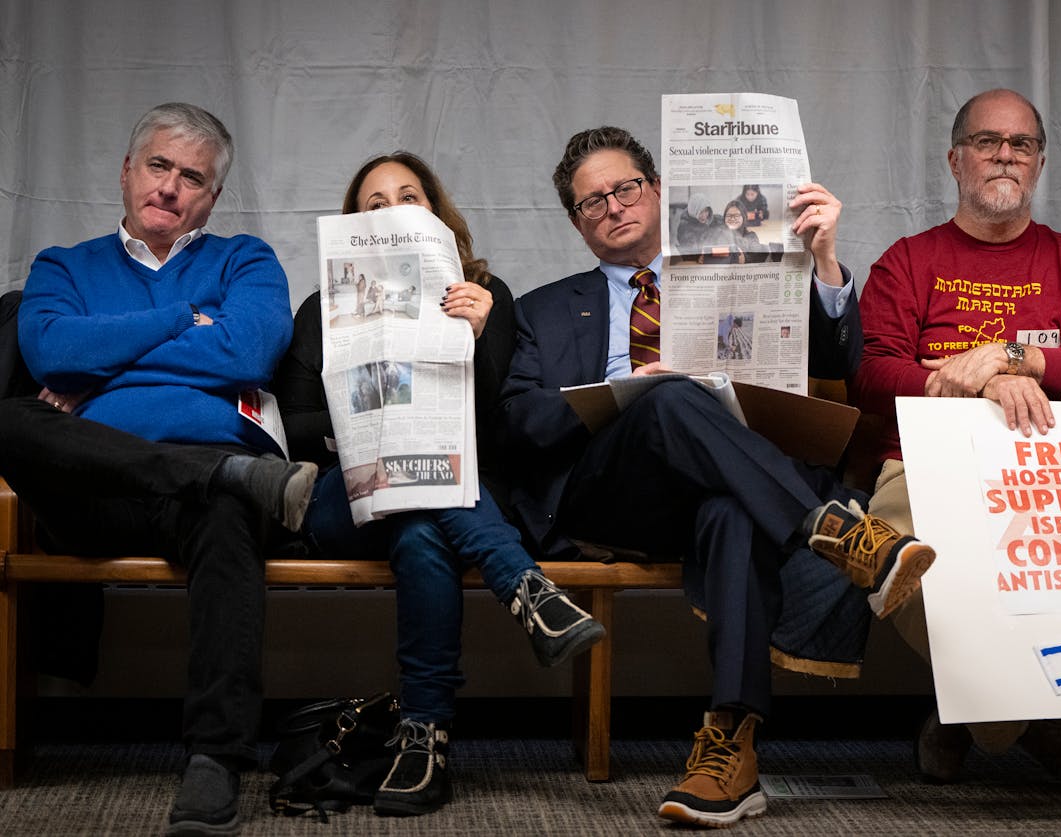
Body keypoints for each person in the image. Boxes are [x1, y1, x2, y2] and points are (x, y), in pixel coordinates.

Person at [498, 125, 931, 828]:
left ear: (660, 191)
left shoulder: (736, 272)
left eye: (626, 187)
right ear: (577, 222)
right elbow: (519, 423)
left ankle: (731, 741)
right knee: (668, 395)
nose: (612, 206)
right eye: (592, 201)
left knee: (734, 509)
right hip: (608, 492)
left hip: (728, 478)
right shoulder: (543, 309)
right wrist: (624, 393)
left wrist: (823, 260)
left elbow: (836, 360)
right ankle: (834, 528)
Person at [0, 102, 318, 836]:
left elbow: (246, 351)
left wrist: (101, 356)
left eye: (193, 177)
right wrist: (182, 320)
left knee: (228, 505)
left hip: (208, 482)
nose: (172, 186)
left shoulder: (246, 260)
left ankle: (215, 756)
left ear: (211, 197)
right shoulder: (63, 265)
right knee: (9, 416)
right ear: (127, 171)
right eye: (159, 166)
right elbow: (50, 353)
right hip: (92, 487)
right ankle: (223, 477)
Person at [273, 152, 605, 817]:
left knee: (423, 528)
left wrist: (478, 337)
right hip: (350, 497)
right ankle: (528, 588)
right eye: (374, 203)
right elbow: (294, 422)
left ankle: (422, 736)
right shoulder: (324, 309)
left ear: (435, 211)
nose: (394, 207)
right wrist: (374, 427)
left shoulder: (487, 295)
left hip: (445, 501)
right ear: (354, 225)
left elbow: (499, 432)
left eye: (409, 195)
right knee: (417, 488)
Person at [854, 88, 1061, 789]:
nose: (1004, 155)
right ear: (955, 159)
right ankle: (1022, 720)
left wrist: (1017, 359)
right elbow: (872, 371)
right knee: (901, 560)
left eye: (1022, 144)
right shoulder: (907, 262)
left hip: (1052, 464)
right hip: (921, 460)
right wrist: (977, 382)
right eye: (987, 141)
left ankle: (964, 713)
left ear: (1038, 162)